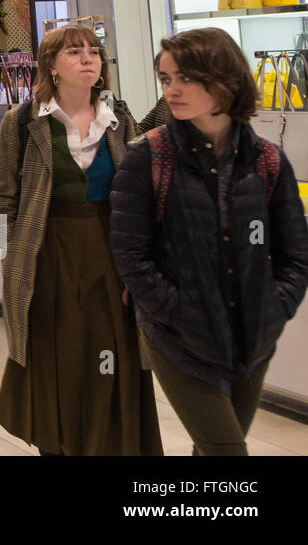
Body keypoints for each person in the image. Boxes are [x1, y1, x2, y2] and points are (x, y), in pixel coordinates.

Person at [111, 28, 308, 456]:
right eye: (165, 80)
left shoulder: (268, 159)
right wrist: (177, 313)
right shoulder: (148, 156)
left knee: (213, 448)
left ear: (223, 78)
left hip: (253, 333)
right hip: (179, 337)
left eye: (185, 78)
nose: (172, 90)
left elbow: (295, 254)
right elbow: (131, 256)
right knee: (226, 451)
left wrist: (275, 308)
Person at [0, 24, 162, 456]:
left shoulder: (117, 120)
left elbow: (138, 186)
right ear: (52, 65)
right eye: (74, 52)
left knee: (113, 347)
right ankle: (59, 443)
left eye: (94, 52)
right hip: (46, 253)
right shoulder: (23, 121)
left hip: (109, 248)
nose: (88, 59)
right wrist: (15, 258)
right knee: (55, 347)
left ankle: (112, 441)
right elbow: (5, 193)